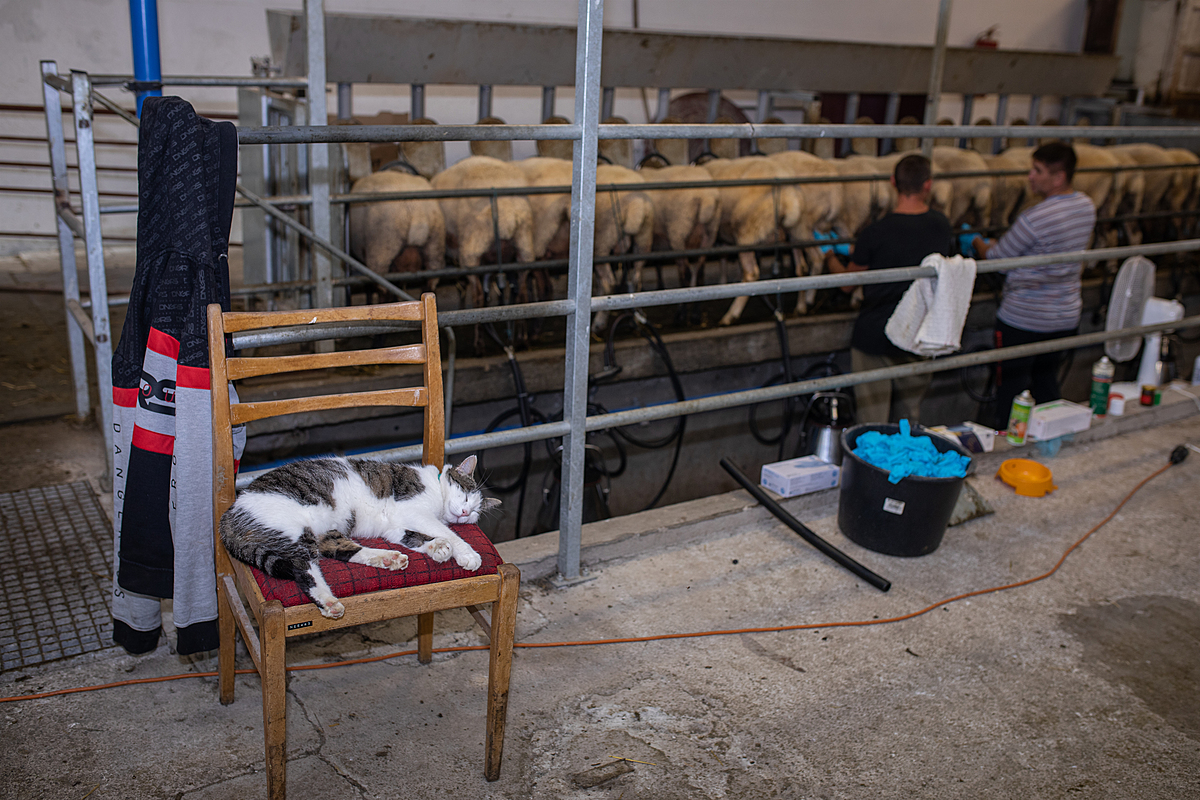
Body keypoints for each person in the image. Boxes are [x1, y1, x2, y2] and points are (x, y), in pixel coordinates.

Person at [972, 142, 1096, 430]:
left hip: (1023, 319)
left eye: (1038, 171)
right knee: (1045, 384)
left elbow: (998, 260)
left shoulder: (1035, 217)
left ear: (1059, 177)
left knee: (1011, 390)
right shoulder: (1086, 206)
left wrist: (977, 241)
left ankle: (1009, 447)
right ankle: (1050, 439)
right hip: (1065, 316)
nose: (1030, 176)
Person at [826, 153, 953, 424]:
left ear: (893, 182)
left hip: (876, 336)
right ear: (928, 185)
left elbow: (849, 285)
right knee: (907, 420)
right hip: (917, 333)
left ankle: (871, 467)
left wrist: (829, 258)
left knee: (872, 422)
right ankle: (904, 466)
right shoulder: (942, 226)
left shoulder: (876, 232)